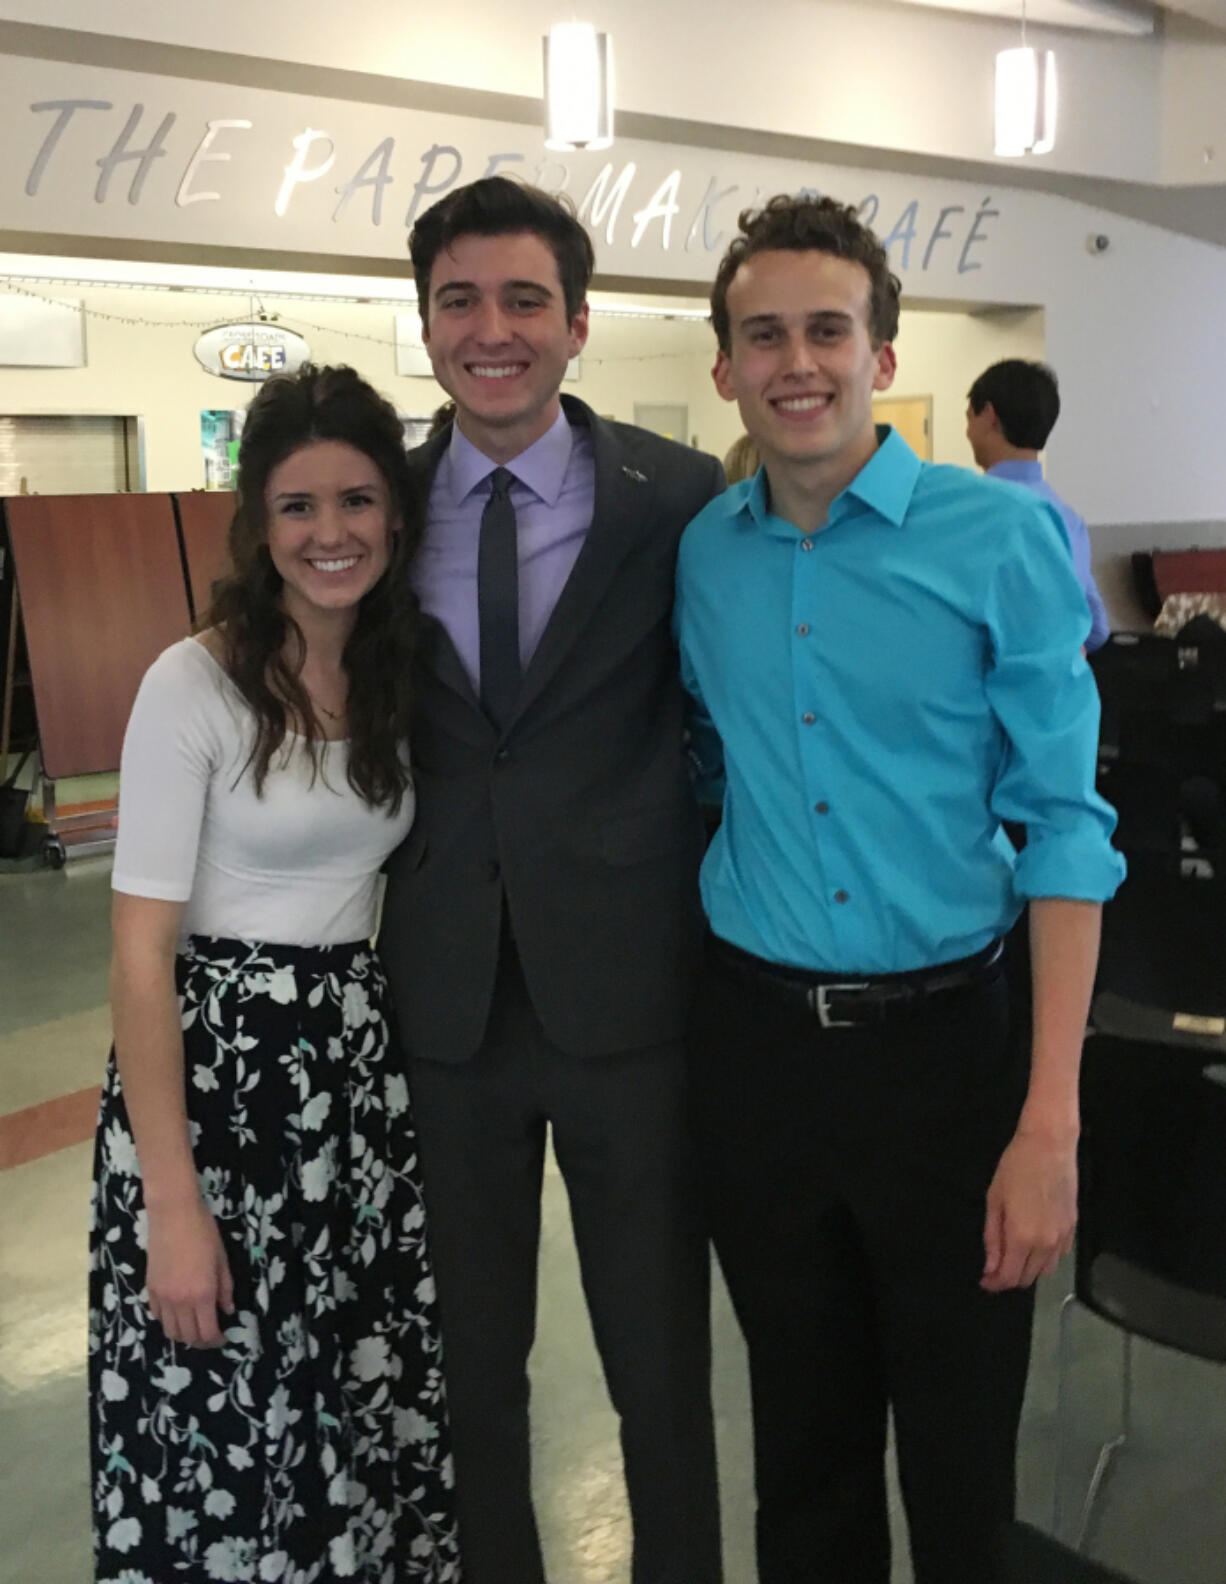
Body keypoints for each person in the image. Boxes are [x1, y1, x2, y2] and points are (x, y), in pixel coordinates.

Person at [675, 195, 1125, 1584]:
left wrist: (1047, 1122)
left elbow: (1064, 832)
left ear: (880, 351)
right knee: (801, 1455)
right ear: (725, 368)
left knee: (956, 1459)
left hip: (949, 1062)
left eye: (826, 329)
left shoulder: (993, 540)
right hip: (757, 1060)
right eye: (763, 335)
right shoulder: (705, 554)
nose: (794, 361)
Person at [379, 176, 724, 1584]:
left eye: (524, 298)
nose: (492, 329)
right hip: (443, 1000)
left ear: (578, 321)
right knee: (472, 1370)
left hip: (631, 998)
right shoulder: (375, 505)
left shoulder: (677, 498)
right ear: (426, 324)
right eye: (459, 300)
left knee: (658, 1369)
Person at [89, 365, 460, 1583]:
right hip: (220, 1089)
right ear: (256, 522)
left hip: (351, 1092)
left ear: (395, 516)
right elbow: (142, 961)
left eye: (356, 500)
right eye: (297, 507)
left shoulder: (399, 677)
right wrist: (173, 1205)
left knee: (346, 1414)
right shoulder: (189, 686)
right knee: (229, 1429)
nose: (329, 533)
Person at [966, 358, 1110, 651]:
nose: (967, 432)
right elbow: (1097, 629)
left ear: (990, 416)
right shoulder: (1069, 519)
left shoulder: (971, 513)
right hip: (1062, 690)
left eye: (969, 418)